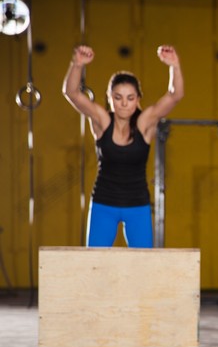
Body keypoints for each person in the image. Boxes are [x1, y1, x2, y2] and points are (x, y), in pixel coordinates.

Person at [62, 44, 184, 247]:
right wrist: (77, 64)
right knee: (94, 261)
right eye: (118, 98)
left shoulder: (144, 123)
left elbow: (175, 95)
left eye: (130, 98)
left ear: (138, 99)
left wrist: (175, 66)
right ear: (110, 98)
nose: (124, 104)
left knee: (143, 262)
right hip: (103, 204)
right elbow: (72, 93)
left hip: (137, 205)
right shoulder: (102, 121)